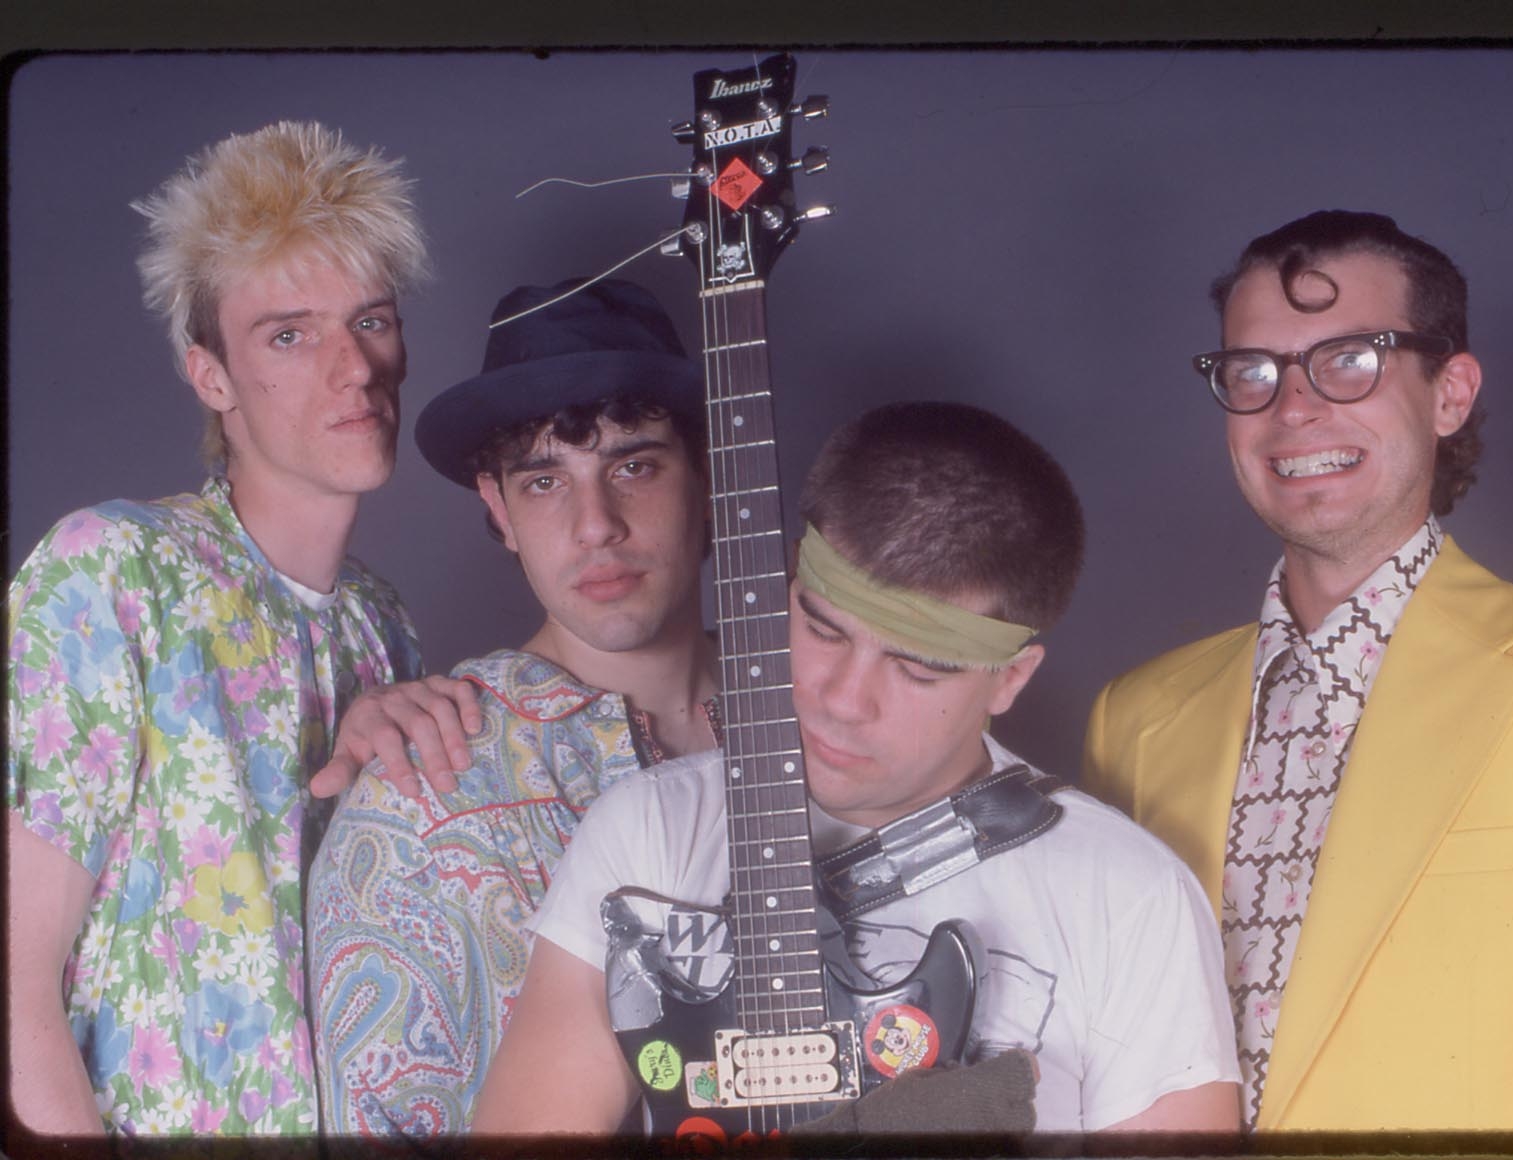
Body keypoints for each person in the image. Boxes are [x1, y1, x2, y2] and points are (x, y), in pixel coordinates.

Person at [474, 401, 1242, 1137]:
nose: (843, 701)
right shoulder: (648, 830)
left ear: (1008, 679)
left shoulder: (1131, 898)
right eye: (824, 630)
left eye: (917, 669)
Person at [1083, 210, 1513, 1132]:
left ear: (1450, 394)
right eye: (1253, 371)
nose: (1293, 408)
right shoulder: (1132, 719)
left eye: (1349, 359)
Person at [6, 120, 429, 1136]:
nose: (353, 368)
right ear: (212, 376)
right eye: (289, 334)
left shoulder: (384, 626)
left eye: (370, 320)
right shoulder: (114, 571)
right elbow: (11, 982)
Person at [308, 279, 725, 1136]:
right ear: (498, 510)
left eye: (635, 466)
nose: (595, 525)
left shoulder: (833, 723)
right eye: (543, 482)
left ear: (711, 476)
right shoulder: (424, 802)